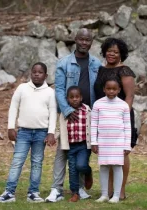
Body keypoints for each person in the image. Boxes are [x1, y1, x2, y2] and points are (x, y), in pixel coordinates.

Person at [45, 28, 101, 202]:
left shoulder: (96, 64)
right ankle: (56, 189)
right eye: (81, 39)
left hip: (88, 115)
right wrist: (68, 111)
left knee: (84, 151)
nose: (84, 43)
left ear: (91, 42)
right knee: (63, 152)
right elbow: (60, 89)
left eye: (88, 40)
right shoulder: (64, 63)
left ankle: (81, 188)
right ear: (75, 40)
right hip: (68, 116)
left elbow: (98, 89)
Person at [0, 62, 57, 203]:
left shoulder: (50, 93)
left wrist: (51, 133)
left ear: (45, 75)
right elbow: (13, 107)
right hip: (23, 132)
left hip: (41, 133)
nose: (36, 74)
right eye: (34, 71)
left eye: (40, 72)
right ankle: (9, 193)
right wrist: (11, 127)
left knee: (36, 162)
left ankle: (33, 193)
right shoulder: (22, 88)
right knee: (17, 161)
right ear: (30, 73)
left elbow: (53, 113)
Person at [94, 37, 137, 200]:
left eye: (116, 52)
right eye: (109, 51)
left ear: (121, 54)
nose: (112, 54)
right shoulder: (100, 69)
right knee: (107, 153)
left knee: (121, 154)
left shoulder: (124, 70)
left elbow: (130, 96)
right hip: (103, 116)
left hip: (121, 117)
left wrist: (121, 116)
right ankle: (109, 191)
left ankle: (121, 190)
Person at [91, 77, 131, 203]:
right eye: (108, 88)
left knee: (117, 167)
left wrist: (127, 145)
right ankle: (104, 194)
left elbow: (127, 126)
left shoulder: (123, 105)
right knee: (104, 167)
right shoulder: (98, 104)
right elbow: (94, 124)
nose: (111, 91)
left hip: (118, 142)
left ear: (119, 90)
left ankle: (116, 195)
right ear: (104, 89)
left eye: (114, 89)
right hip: (103, 141)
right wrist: (94, 142)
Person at [58, 86, 92, 202]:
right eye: (71, 97)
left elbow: (92, 126)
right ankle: (75, 193)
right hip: (71, 146)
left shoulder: (87, 111)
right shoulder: (65, 113)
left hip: (83, 145)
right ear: (67, 99)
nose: (75, 99)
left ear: (81, 97)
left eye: (77, 97)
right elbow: (60, 128)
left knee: (81, 166)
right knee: (72, 170)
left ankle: (88, 172)